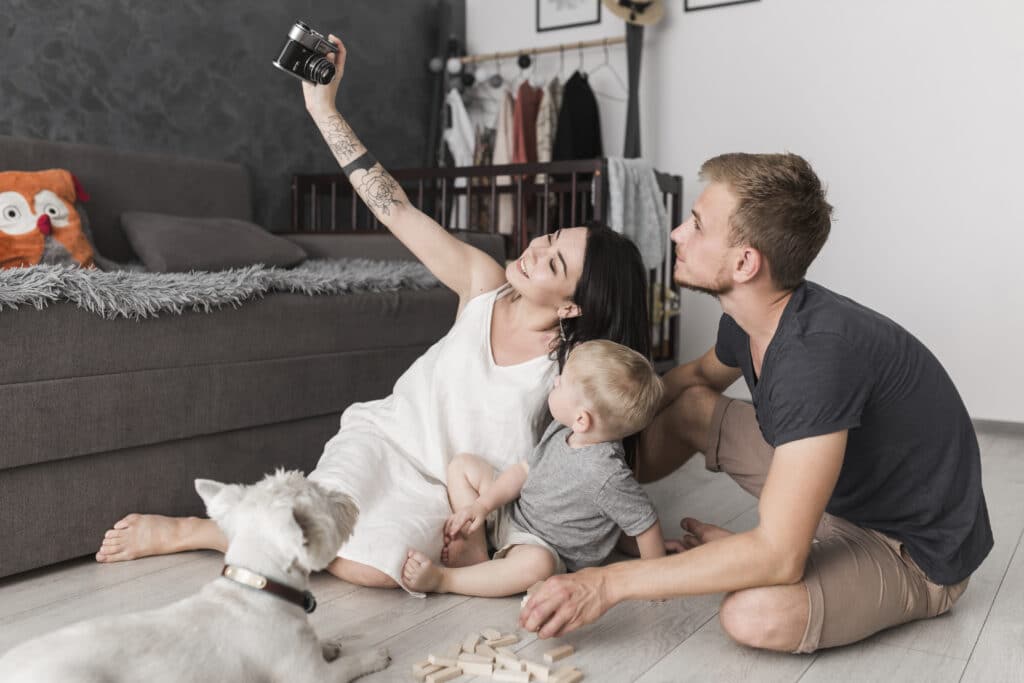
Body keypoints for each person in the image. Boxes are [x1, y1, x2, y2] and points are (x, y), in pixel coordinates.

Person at [95, 34, 655, 592]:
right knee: (322, 522)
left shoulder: (576, 370)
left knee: (369, 566)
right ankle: (200, 530)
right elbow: (396, 209)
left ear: (573, 305)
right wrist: (323, 108)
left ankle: (239, 531)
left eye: (554, 261)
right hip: (385, 440)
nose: (535, 248)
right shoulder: (483, 281)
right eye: (550, 235)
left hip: (454, 492)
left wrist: (636, 538)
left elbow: (589, 457)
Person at [519, 153, 993, 653]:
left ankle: (806, 551)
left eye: (697, 226)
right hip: (840, 491)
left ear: (745, 263)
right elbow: (692, 378)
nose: (678, 234)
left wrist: (607, 584)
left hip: (909, 550)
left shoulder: (814, 358)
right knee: (692, 408)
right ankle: (581, 511)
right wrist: (597, 428)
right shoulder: (751, 317)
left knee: (753, 614)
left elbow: (779, 559)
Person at [401, 340, 669, 597]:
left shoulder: (607, 475)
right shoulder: (561, 429)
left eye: (561, 384)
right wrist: (482, 506)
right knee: (463, 466)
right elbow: (524, 470)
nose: (555, 381)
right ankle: (476, 550)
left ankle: (445, 580)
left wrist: (654, 580)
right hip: (515, 512)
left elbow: (644, 522)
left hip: (541, 546)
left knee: (537, 566)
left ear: (581, 419)